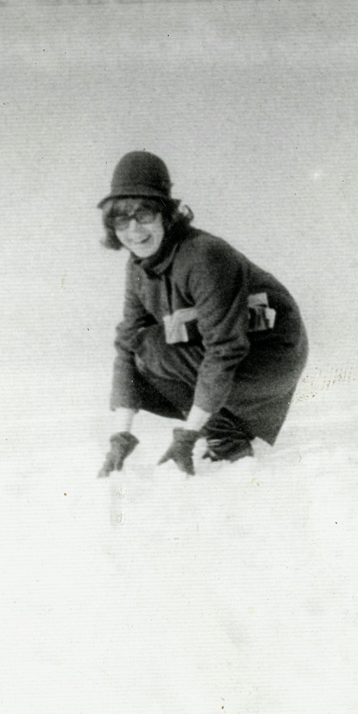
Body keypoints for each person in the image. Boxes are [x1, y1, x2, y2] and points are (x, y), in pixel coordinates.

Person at [97, 151, 308, 478]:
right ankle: (227, 432)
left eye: (144, 213)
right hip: (230, 348)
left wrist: (188, 434)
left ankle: (227, 441)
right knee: (142, 352)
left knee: (153, 349)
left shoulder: (204, 256)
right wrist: (120, 434)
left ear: (167, 215)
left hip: (271, 350)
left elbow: (224, 349)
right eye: (121, 219)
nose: (134, 229)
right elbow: (127, 343)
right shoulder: (138, 265)